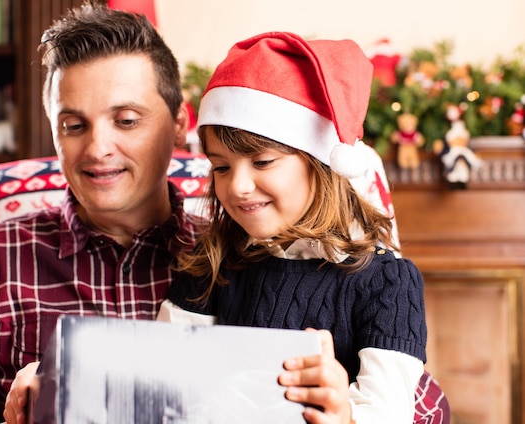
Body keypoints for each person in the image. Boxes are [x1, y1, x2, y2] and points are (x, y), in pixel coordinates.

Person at [0, 2, 200, 422]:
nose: (97, 149)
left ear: (180, 123)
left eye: (127, 120)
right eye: (74, 126)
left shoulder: (236, 257)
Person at [157, 32, 433, 423]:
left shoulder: (387, 283)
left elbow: (388, 412)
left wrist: (343, 415)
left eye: (262, 162)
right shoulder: (209, 264)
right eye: (221, 166)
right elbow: (162, 383)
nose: (236, 187)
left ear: (319, 163)